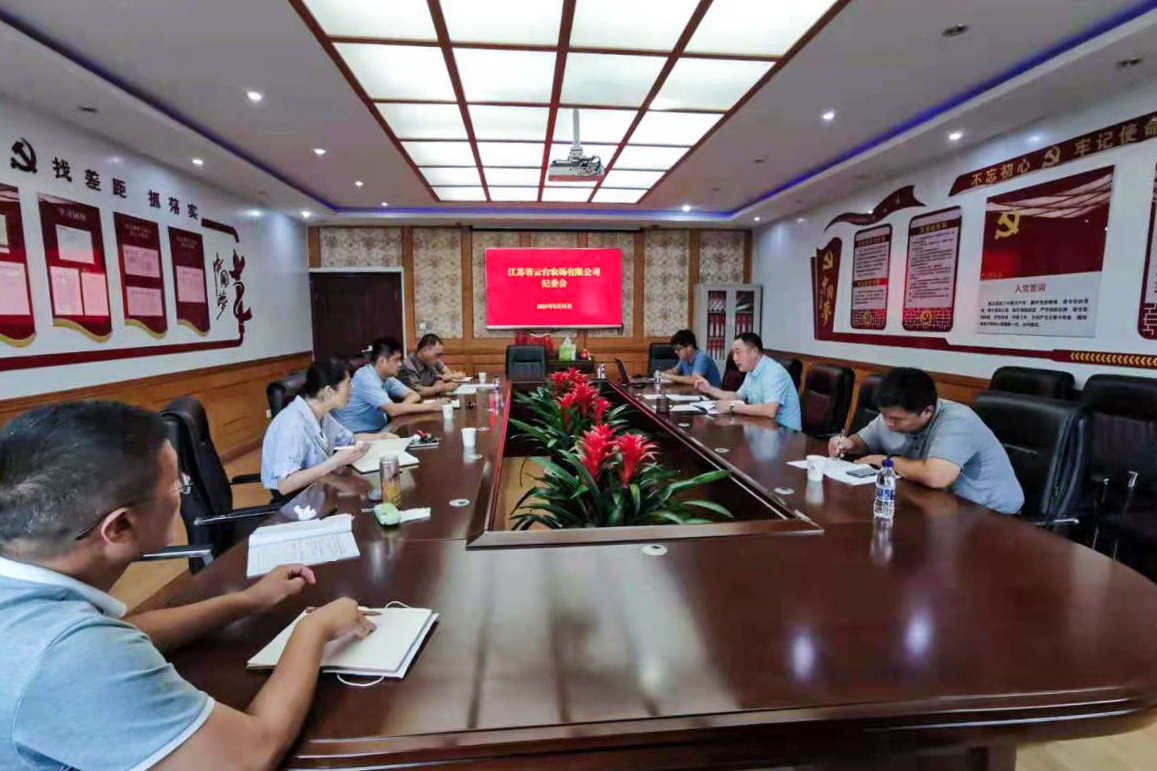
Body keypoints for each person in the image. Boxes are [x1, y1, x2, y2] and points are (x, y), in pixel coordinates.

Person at [0, 401, 377, 771]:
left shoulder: (24, 592)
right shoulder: (67, 655)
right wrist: (314, 628)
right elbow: (248, 754)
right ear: (120, 526)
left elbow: (124, 631)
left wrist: (247, 600)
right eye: (177, 485)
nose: (184, 489)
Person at [828, 367, 1024, 514]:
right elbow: (862, 441)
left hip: (991, 514)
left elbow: (936, 476)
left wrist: (885, 461)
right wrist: (847, 444)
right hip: (938, 504)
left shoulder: (958, 420)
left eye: (896, 419)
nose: (888, 423)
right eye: (884, 415)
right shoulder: (892, 414)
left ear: (927, 411)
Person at [261, 358, 397, 497]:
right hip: (295, 498)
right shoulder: (293, 424)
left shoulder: (322, 414)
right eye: (348, 383)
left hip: (319, 486)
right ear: (329, 391)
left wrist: (381, 436)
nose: (352, 389)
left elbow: (349, 440)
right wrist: (334, 462)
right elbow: (285, 485)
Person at [332, 336, 446, 432]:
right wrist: (432, 406)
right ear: (382, 361)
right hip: (356, 436)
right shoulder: (366, 378)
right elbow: (392, 410)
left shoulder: (387, 377)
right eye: (396, 360)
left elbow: (414, 394)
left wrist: (402, 407)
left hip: (379, 430)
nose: (400, 364)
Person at [693, 333, 802, 431]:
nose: (734, 358)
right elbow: (738, 396)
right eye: (733, 353)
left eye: (738, 352)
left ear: (754, 352)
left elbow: (770, 410)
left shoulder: (774, 372)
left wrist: (732, 407)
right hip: (763, 428)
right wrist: (709, 389)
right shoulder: (752, 371)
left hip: (785, 435)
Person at [397, 333, 462, 398]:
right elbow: (418, 391)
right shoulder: (407, 366)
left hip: (429, 399)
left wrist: (438, 383)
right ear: (425, 350)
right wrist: (442, 388)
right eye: (437, 355)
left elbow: (437, 378)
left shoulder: (428, 361)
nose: (438, 360)